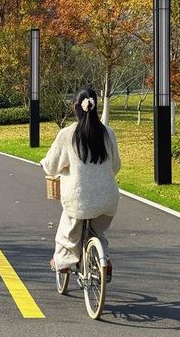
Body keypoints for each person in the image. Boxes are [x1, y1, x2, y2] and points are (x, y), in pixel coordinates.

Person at [40, 87, 121, 272]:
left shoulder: (67, 134)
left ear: (76, 107)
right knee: (97, 231)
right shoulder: (108, 133)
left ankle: (62, 262)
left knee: (67, 232)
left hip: (79, 201)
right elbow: (115, 167)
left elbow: (52, 166)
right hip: (108, 201)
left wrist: (44, 163)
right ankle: (104, 259)